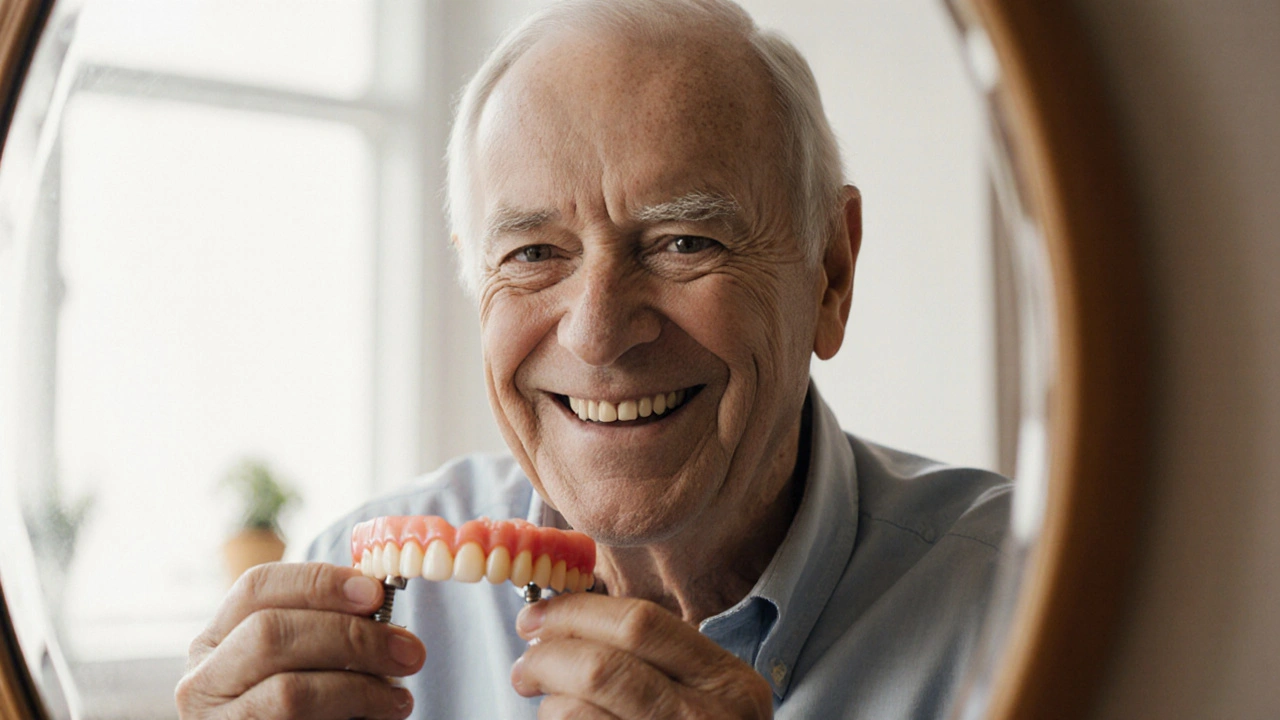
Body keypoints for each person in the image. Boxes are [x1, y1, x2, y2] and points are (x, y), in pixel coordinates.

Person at [175, 1, 1010, 718]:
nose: (598, 333)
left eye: (686, 241)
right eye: (535, 254)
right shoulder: (359, 612)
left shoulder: (1036, 602)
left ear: (831, 273)